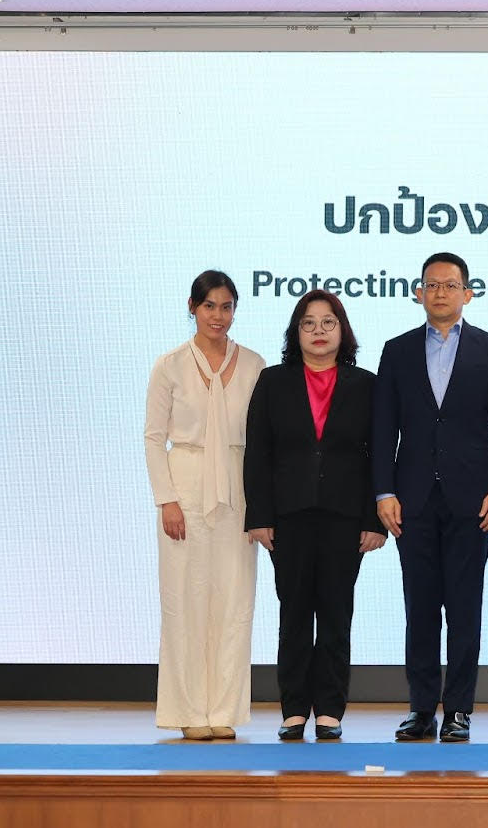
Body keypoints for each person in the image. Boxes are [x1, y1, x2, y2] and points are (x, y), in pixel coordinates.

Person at [373, 252, 488, 743]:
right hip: (412, 499)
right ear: (419, 293)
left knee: (463, 606)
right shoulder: (396, 351)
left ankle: (458, 709)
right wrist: (384, 491)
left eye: (450, 285)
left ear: (467, 294)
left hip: (473, 500)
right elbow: (383, 427)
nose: (440, 292)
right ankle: (420, 709)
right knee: (419, 607)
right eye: (431, 285)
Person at [244, 289, 387, 741]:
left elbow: (379, 456)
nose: (319, 331)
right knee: (294, 613)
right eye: (308, 323)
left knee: (336, 613)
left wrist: (374, 520)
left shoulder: (366, 384)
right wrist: (259, 515)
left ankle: (329, 709)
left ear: (343, 331)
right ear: (296, 332)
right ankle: (293, 710)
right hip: (288, 516)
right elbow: (257, 453)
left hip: (345, 517)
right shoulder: (272, 381)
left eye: (328, 322)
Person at [143, 270, 266, 740]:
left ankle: (223, 711)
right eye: (209, 305)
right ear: (192, 307)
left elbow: (264, 440)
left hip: (238, 486)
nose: (218, 315)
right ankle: (189, 710)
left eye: (227, 306)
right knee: (184, 598)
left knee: (234, 600)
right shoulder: (169, 365)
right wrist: (167, 500)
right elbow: (154, 438)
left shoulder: (254, 364)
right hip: (186, 485)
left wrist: (262, 506)